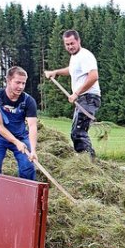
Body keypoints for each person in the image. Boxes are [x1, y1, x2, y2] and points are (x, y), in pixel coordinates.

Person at [44, 29, 100, 158]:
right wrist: (56, 72)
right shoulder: (75, 57)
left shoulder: (85, 55)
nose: (70, 46)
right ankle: (86, 160)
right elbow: (72, 70)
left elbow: (93, 76)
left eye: (72, 43)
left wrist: (76, 93)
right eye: (67, 44)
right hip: (82, 98)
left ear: (78, 41)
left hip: (89, 97)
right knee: (76, 132)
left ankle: (88, 163)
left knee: (78, 133)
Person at [0, 66, 38, 180]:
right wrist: (15, 142)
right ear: (8, 81)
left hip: (21, 136)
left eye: (23, 83)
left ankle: (25, 195)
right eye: (17, 82)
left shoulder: (28, 101)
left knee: (28, 167)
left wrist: (33, 150)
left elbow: (32, 126)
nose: (21, 87)